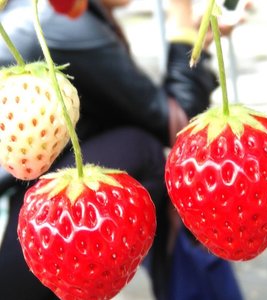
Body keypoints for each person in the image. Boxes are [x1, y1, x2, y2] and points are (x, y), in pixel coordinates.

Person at [0, 0, 243, 299]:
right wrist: (183, 26)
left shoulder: (42, 14)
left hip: (35, 221)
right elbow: (177, 121)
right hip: (25, 239)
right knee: (144, 150)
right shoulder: (63, 23)